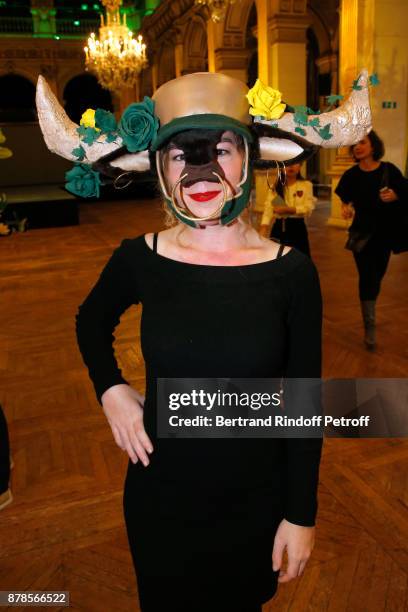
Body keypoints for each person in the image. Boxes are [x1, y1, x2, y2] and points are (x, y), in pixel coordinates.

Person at [36, 70, 373, 612]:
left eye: (221, 148)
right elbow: (90, 321)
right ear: (161, 167)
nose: (200, 170)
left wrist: (300, 514)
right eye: (179, 156)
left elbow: (303, 404)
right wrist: (111, 390)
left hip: (254, 502)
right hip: (161, 498)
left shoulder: (291, 274)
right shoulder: (139, 258)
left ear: (250, 156)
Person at [335, 130, 408, 350]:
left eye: (362, 143)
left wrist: (396, 195)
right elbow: (345, 199)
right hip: (362, 236)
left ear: (373, 146)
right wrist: (346, 207)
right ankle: (370, 328)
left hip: (385, 237)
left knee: (377, 278)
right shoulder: (351, 175)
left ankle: (370, 308)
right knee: (367, 277)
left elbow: (406, 190)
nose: (357, 147)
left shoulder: (389, 170)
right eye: (355, 144)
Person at [259, 163, 316, 256]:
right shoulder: (275, 186)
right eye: (287, 164)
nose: (291, 166)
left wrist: (290, 210)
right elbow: (268, 208)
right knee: (277, 258)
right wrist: (264, 227)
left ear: (300, 166)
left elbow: (309, 207)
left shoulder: (306, 185)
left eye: (295, 163)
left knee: (299, 258)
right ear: (281, 168)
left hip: (298, 228)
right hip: (278, 227)